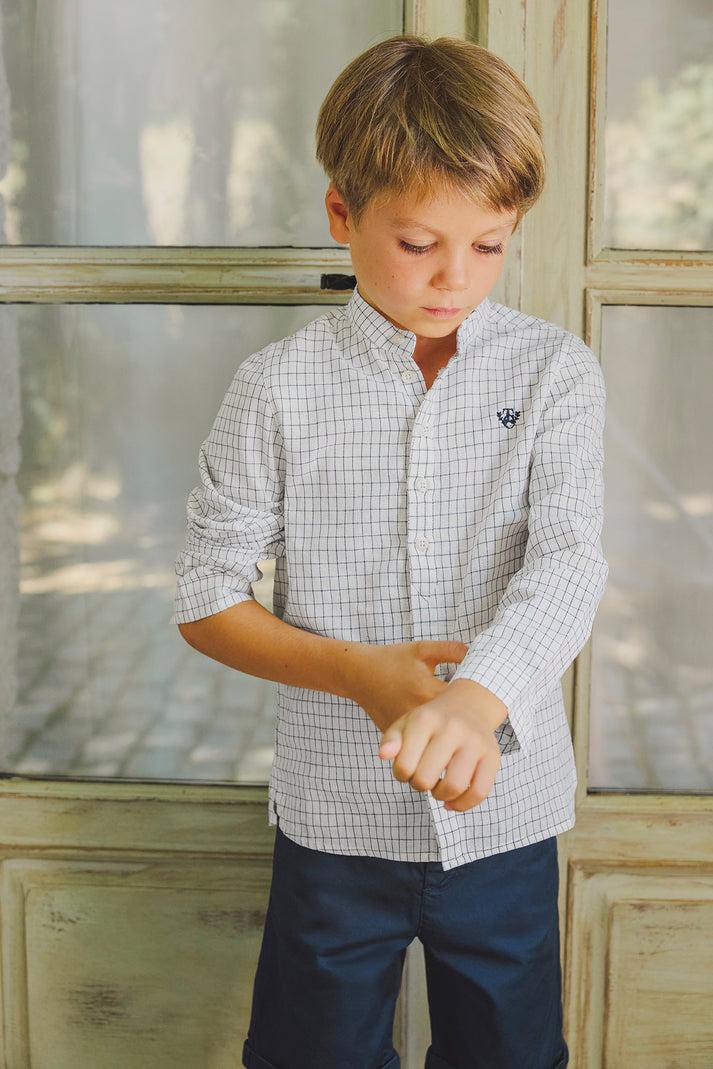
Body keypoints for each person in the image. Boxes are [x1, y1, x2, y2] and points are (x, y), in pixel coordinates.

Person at [173, 32, 608, 1069]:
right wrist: (359, 676)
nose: (456, 277)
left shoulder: (554, 372)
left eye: (490, 244)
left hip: (505, 814)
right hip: (333, 822)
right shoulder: (276, 388)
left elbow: (567, 562)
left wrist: (476, 695)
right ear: (341, 213)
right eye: (418, 244)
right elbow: (204, 596)